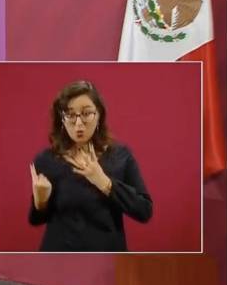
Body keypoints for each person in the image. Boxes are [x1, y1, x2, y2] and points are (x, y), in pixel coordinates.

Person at [29, 80, 153, 252]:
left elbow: (144, 211)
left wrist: (104, 182)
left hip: (106, 257)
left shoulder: (120, 156)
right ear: (62, 119)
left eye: (86, 114)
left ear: (99, 115)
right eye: (70, 115)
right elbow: (36, 220)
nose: (79, 123)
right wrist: (40, 201)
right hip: (59, 257)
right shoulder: (47, 159)